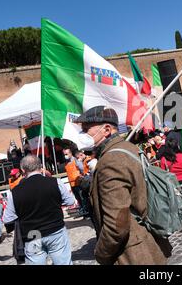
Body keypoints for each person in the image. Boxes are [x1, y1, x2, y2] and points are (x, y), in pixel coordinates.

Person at [73, 105, 172, 265]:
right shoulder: (127, 148)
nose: (83, 134)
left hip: (133, 254)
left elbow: (116, 224)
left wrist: (101, 253)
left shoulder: (111, 161)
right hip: (147, 242)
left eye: (86, 129)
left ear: (106, 130)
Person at [3, 155, 76, 265]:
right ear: (41, 166)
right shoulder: (55, 182)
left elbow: (8, 218)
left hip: (33, 233)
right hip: (55, 230)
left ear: (23, 170)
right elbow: (70, 201)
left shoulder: (15, 192)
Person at [63, 147, 88, 216]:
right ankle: (83, 212)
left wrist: (82, 177)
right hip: (72, 184)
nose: (65, 156)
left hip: (78, 183)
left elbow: (82, 169)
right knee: (78, 199)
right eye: (64, 154)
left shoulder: (76, 160)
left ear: (70, 153)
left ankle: (87, 212)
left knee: (83, 198)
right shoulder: (66, 163)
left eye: (66, 154)